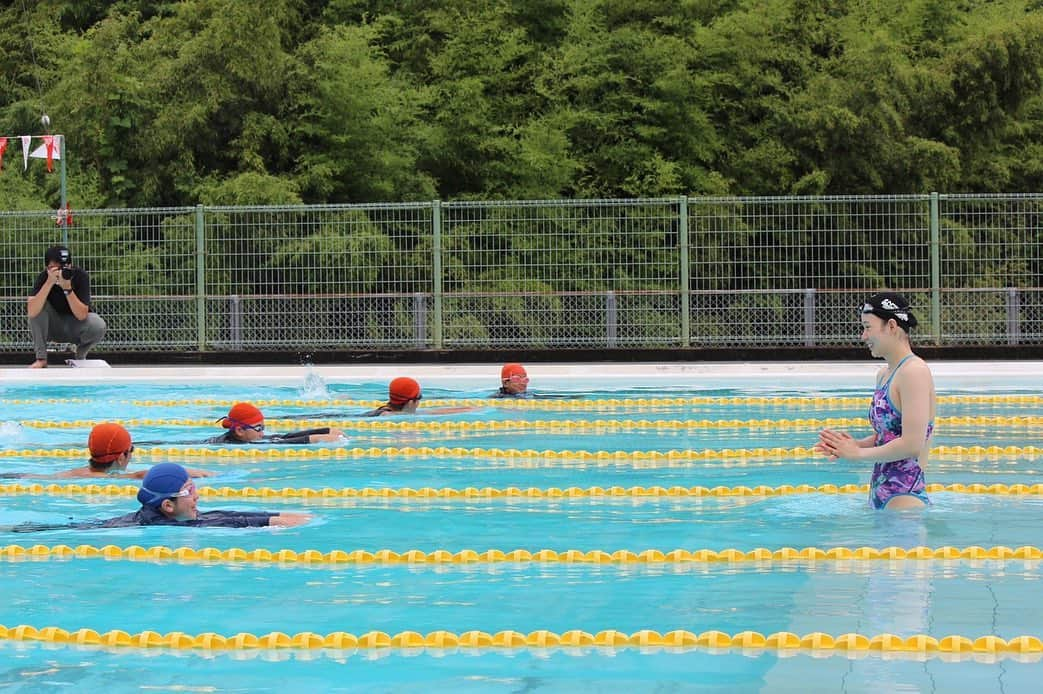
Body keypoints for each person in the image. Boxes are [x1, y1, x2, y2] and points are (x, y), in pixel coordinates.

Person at [815, 292, 936, 510]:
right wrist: (851, 445)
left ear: (891, 326)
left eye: (868, 327)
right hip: (881, 495)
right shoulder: (884, 374)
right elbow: (889, 435)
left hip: (905, 498)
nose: (863, 336)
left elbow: (912, 444)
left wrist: (858, 454)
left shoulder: (914, 372)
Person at [96, 463, 311, 527]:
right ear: (168, 506)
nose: (197, 497)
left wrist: (276, 513)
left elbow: (224, 515)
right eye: (189, 491)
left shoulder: (163, 515)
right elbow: (224, 522)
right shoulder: (166, 526)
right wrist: (271, 521)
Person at [0, 423, 212, 480]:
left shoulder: (70, 474)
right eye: (131, 450)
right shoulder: (115, 478)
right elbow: (144, 475)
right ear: (121, 457)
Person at [27, 245, 106, 368]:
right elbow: (32, 311)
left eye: (65, 266)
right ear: (48, 268)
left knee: (98, 324)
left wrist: (67, 289)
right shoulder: (44, 277)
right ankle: (41, 358)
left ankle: (80, 356)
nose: (61, 271)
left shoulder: (80, 276)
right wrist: (49, 283)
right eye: (56, 267)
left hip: (74, 326)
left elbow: (82, 315)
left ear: (70, 265)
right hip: (51, 327)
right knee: (37, 305)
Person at [207, 402, 345, 444]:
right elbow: (280, 442)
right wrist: (316, 439)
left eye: (263, 427)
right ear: (239, 431)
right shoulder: (229, 444)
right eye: (259, 428)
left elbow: (281, 437)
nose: (262, 433)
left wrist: (324, 430)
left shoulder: (246, 437)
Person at [361, 376, 477, 416]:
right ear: (411, 402)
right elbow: (426, 414)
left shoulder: (389, 411)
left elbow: (430, 412)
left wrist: (467, 409)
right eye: (419, 397)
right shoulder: (387, 415)